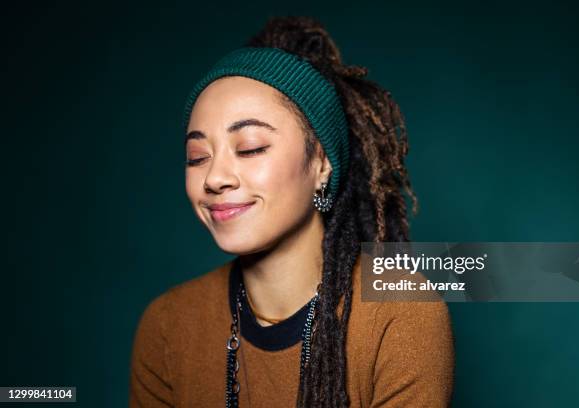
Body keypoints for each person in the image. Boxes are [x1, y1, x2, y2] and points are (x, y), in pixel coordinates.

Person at [129, 16, 454, 408]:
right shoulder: (168, 325)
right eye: (197, 156)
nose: (214, 177)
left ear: (321, 163)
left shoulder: (400, 314)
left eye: (249, 147)